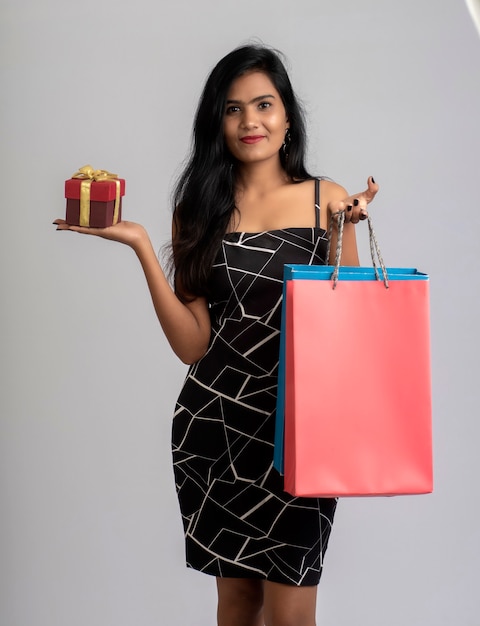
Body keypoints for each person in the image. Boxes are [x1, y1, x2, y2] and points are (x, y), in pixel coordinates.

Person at [54, 44, 378, 626]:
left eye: (263, 105)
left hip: (299, 433)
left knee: (291, 609)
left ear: (286, 116)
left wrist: (345, 231)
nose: (249, 121)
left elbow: (351, 334)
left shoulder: (327, 200)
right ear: (217, 121)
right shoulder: (198, 208)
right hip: (215, 427)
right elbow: (193, 345)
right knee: (236, 604)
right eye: (233, 109)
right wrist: (143, 248)